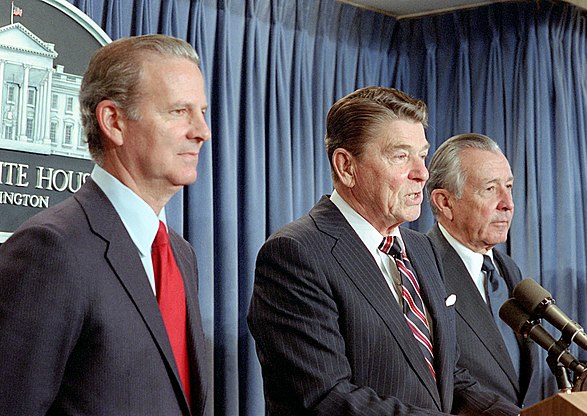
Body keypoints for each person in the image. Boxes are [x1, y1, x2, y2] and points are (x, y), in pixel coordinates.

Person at [247, 87, 521, 415]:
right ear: (347, 167)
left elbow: (447, 376)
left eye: (422, 154)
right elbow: (326, 398)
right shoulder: (296, 254)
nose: (422, 173)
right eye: (401, 156)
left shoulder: (422, 249)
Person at [0, 34, 211, 415]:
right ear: (113, 121)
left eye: (202, 112)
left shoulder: (182, 255)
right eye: (179, 111)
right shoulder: (50, 249)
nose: (201, 131)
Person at [425, 133, 541, 408]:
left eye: (509, 187)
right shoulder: (422, 269)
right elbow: (440, 375)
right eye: (490, 189)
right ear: (445, 202)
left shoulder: (506, 269)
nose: (508, 203)